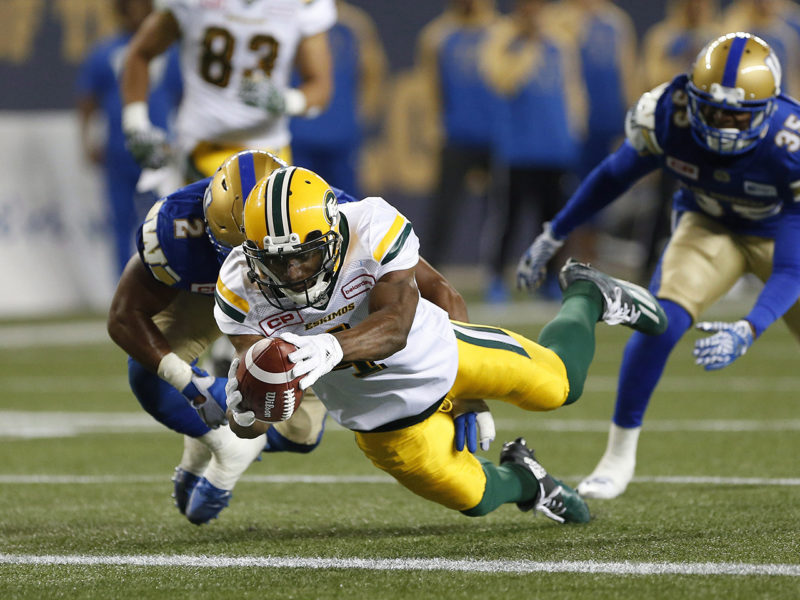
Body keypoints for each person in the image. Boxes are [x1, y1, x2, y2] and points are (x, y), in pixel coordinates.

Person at [213, 164, 668, 524]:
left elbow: (395, 326)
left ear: (332, 235)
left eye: (304, 256)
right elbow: (262, 409)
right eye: (277, 262)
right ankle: (532, 483)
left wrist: (466, 395)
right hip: (380, 421)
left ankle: (587, 294)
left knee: (562, 386)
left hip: (445, 352)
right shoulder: (238, 290)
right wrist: (247, 411)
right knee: (477, 498)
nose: (293, 273)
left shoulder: (371, 227)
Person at [107, 149, 492, 524]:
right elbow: (124, 316)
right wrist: (185, 379)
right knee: (149, 373)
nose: (253, 268)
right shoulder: (177, 226)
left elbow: (440, 292)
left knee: (300, 432)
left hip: (303, 309)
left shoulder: (334, 216)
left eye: (268, 253)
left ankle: (237, 441)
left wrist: (466, 390)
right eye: (235, 251)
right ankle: (218, 443)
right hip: (204, 297)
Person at [516, 32, 800, 499]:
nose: (726, 126)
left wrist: (749, 328)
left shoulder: (788, 145)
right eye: (716, 111)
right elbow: (614, 176)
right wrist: (556, 232)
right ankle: (618, 454)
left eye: (738, 115)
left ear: (767, 110)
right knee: (661, 323)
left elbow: (789, 269)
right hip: (707, 224)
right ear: (694, 96)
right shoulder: (669, 114)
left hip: (781, 235)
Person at [120, 0, 335, 186]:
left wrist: (286, 101)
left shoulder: (303, 4)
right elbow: (140, 53)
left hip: (268, 148)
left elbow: (320, 86)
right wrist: (135, 123)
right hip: (199, 145)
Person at [478, 0, 587, 303]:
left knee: (552, 221)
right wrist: (526, 46)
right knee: (509, 219)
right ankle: (496, 279)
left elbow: (572, 89)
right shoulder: (501, 37)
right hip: (518, 148)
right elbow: (501, 81)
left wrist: (574, 132)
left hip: (556, 146)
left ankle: (551, 278)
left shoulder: (560, 40)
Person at [76, 0, 182, 275]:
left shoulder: (171, 53)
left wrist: (182, 140)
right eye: (129, 7)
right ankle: (122, 289)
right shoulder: (104, 52)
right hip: (118, 151)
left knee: (167, 222)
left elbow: (185, 98)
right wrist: (87, 141)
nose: (134, 13)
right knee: (120, 223)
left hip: (160, 149)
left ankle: (168, 287)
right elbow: (88, 101)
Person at [414, 0, 498, 269]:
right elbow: (428, 85)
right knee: (444, 209)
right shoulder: (437, 35)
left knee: (501, 210)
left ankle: (496, 273)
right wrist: (431, 125)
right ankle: (429, 269)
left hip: (497, 136)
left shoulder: (501, 31)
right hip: (456, 135)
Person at [290, 0, 388, 197]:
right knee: (292, 206)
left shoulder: (356, 23)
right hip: (297, 133)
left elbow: (374, 71)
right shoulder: (291, 14)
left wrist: (362, 114)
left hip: (341, 137)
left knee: (347, 209)